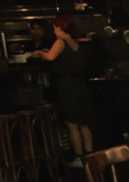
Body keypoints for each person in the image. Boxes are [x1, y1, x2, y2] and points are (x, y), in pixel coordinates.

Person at [32, 16, 93, 168]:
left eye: (54, 28)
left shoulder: (61, 42)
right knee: (84, 124)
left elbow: (50, 57)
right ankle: (91, 157)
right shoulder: (76, 43)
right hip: (80, 85)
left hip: (67, 86)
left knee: (72, 124)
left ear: (59, 28)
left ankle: (79, 158)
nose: (54, 31)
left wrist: (39, 53)